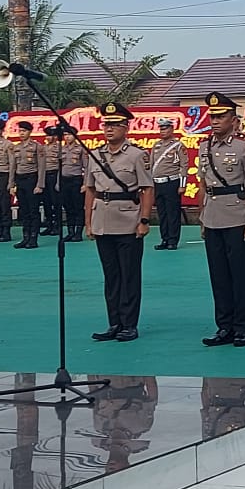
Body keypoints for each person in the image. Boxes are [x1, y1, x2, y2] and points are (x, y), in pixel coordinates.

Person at [84, 102, 153, 343]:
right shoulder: (95, 155)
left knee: (129, 275)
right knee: (111, 276)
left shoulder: (136, 155)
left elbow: (146, 189)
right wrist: (88, 222)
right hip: (102, 219)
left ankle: (129, 324)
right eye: (107, 125)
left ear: (126, 128)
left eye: (115, 125)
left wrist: (144, 220)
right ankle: (114, 322)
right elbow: (90, 190)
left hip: (128, 220)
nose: (109, 129)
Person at [197, 92, 245, 347]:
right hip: (212, 214)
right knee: (218, 274)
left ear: (233, 120)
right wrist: (201, 218)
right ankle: (223, 326)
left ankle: (241, 327)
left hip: (236, 214)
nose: (215, 121)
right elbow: (203, 183)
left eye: (221, 116)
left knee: (239, 274)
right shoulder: (205, 146)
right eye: (212, 116)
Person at [149, 117, 186, 250]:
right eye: (161, 128)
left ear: (172, 129)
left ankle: (173, 240)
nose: (162, 131)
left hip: (172, 182)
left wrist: (182, 185)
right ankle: (164, 238)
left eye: (165, 128)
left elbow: (184, 166)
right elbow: (151, 165)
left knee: (172, 213)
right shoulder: (156, 145)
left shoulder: (178, 145)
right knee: (162, 213)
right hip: (158, 183)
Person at [11, 120, 46, 250]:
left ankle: (33, 238)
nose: (21, 133)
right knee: (24, 211)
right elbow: (13, 167)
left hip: (32, 180)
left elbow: (42, 167)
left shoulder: (37, 147)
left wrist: (40, 185)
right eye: (20, 131)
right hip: (20, 180)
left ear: (29, 132)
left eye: (24, 131)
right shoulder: (16, 147)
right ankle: (25, 237)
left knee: (33, 211)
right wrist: (11, 184)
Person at [60, 132, 86, 242]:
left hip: (76, 180)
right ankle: (70, 232)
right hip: (64, 180)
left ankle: (78, 233)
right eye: (65, 135)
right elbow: (59, 167)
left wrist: (85, 184)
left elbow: (87, 167)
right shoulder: (61, 149)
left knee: (78, 207)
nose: (67, 137)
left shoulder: (80, 149)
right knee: (68, 207)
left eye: (69, 135)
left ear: (75, 136)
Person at [40, 134, 61, 236]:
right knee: (46, 202)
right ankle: (49, 224)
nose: (48, 138)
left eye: (50, 135)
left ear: (55, 137)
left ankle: (57, 225)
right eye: (47, 135)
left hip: (54, 175)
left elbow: (61, 165)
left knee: (55, 202)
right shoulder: (43, 148)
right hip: (44, 176)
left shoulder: (59, 148)